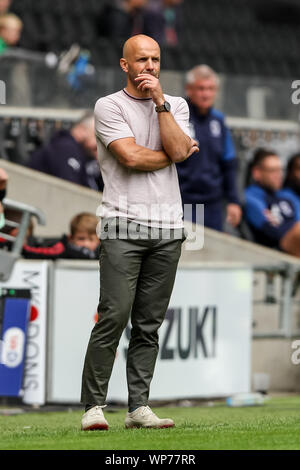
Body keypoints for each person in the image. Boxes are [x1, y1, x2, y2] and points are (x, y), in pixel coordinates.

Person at [80, 34, 198, 431]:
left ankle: (138, 408)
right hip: (121, 225)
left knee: (149, 324)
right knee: (113, 316)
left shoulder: (175, 104)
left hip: (169, 228)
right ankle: (93, 408)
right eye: (141, 60)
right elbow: (130, 157)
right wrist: (174, 152)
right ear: (124, 65)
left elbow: (177, 151)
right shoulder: (108, 105)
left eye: (155, 59)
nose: (149, 66)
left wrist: (161, 104)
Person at [176, 64, 242, 231]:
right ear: (189, 89)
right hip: (183, 200)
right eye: (201, 88)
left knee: (212, 253)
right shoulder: (177, 118)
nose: (206, 94)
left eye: (211, 89)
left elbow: (228, 164)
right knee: (190, 250)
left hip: (213, 202)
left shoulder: (218, 121)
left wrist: (233, 200)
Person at [244, 148, 300, 257]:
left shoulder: (286, 195)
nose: (278, 175)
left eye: (280, 170)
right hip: (278, 245)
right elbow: (271, 230)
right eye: (273, 171)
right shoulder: (251, 196)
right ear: (257, 173)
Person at [29, 113, 103, 192]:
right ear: (81, 130)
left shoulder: (86, 156)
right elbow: (71, 190)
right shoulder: (65, 148)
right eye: (99, 136)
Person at [0, 211, 100, 260]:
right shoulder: (62, 248)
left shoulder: (105, 253)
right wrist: (18, 247)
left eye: (91, 240)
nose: (86, 244)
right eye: (81, 239)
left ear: (99, 240)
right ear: (71, 238)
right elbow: (36, 252)